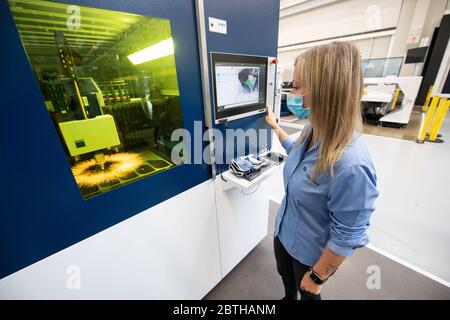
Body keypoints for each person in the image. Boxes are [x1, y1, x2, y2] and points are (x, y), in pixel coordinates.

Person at [265, 41, 379, 300]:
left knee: (307, 294)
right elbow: (297, 151)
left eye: (298, 85)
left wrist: (317, 277)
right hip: (284, 233)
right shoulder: (311, 130)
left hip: (310, 256)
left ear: (326, 91)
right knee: (287, 285)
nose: (293, 91)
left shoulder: (352, 165)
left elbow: (347, 235)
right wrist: (275, 127)